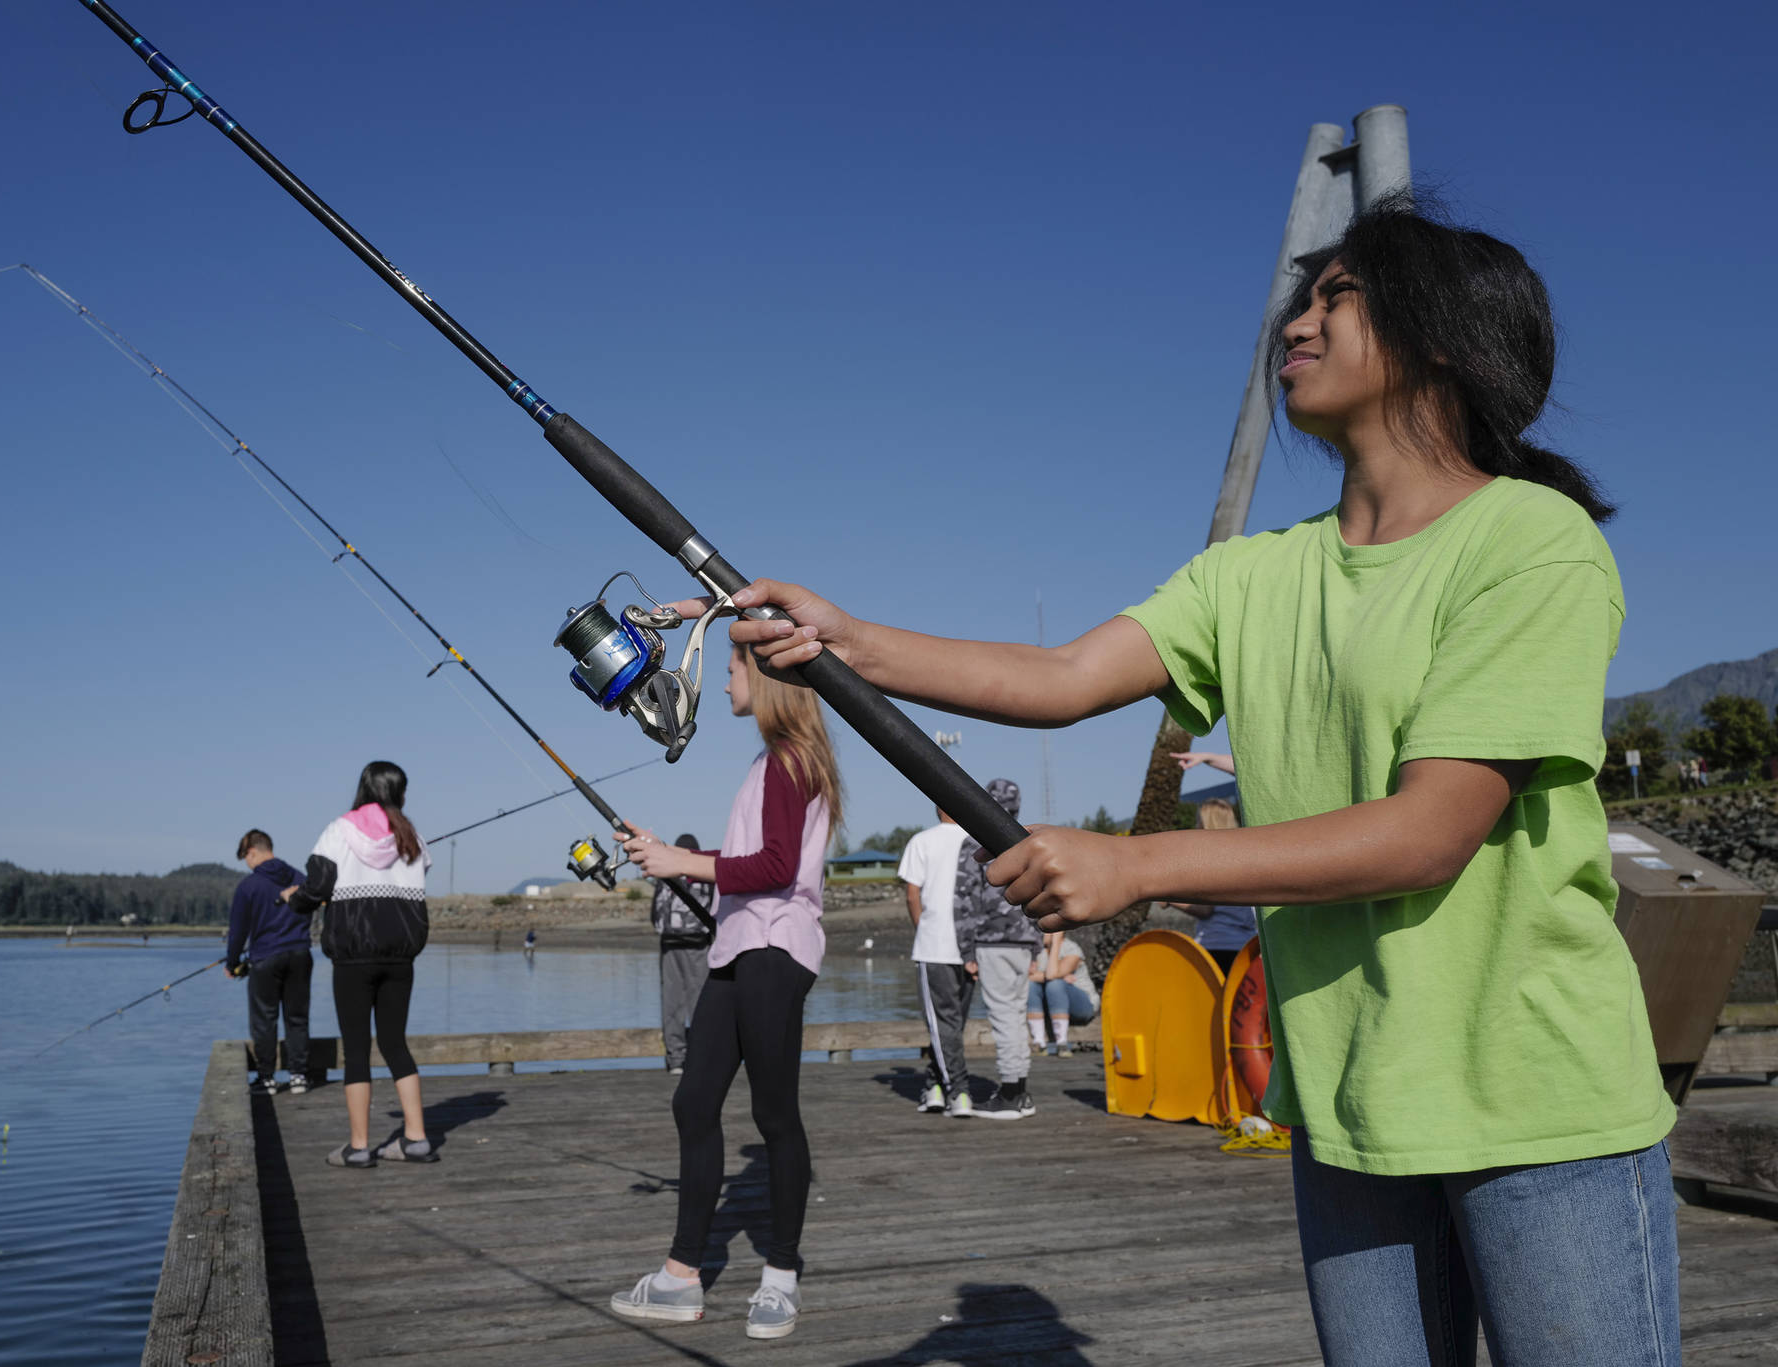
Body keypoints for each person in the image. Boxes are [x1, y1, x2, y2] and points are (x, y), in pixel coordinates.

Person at [714, 196, 1678, 1364]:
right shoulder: (1251, 574)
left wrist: (1136, 864)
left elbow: (1430, 829)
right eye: (1299, 299)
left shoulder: (1530, 539)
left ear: (1440, 336)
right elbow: (1064, 675)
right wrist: (847, 638)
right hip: (1345, 1104)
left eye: (1336, 296)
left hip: (1538, 1105)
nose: (1295, 322)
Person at [608, 643, 844, 1341]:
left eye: (733, 670)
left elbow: (775, 866)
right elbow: (749, 858)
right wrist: (672, 857)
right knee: (693, 1100)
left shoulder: (791, 759)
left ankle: (782, 1276)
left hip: (774, 949)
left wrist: (682, 859)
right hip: (737, 946)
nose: (724, 684)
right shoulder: (770, 761)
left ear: (766, 678)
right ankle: (681, 1276)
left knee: (775, 1116)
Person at [287, 761, 438, 1169]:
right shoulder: (412, 837)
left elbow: (316, 886)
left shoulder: (339, 830)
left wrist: (293, 899)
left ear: (364, 788)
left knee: (356, 1050)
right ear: (399, 792)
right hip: (401, 955)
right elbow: (421, 869)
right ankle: (416, 1139)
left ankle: (358, 1147)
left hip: (353, 956)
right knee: (395, 1044)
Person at [952, 779, 1042, 1118]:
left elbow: (964, 900)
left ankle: (1009, 1094)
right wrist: (1037, 946)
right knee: (1017, 1017)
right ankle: (1021, 1090)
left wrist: (966, 951)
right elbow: (1040, 893)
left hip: (991, 943)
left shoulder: (973, 843)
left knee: (1004, 1017)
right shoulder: (1029, 841)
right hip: (1024, 941)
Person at [898, 808, 975, 1118]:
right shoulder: (977, 842)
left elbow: (912, 894)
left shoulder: (922, 841)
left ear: (937, 808)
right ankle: (934, 1087)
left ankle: (959, 1091)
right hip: (971, 950)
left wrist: (922, 927)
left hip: (934, 947)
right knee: (953, 1026)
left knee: (943, 1026)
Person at [226, 828, 313, 1095]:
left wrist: (232, 964)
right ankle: (299, 1076)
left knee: (264, 1020)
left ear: (253, 852)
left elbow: (238, 931)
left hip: (265, 957)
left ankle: (266, 1079)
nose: (247, 863)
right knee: (297, 1017)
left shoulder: (249, 886)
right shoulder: (300, 878)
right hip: (299, 954)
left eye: (246, 857)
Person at [1163, 799, 1259, 975]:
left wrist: (1168, 900)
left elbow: (1205, 910)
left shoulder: (1210, 861)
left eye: (1199, 821)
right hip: (1246, 948)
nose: (1195, 827)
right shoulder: (1245, 858)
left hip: (1216, 945)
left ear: (1208, 825)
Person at [653, 834, 717, 1074]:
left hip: (669, 945)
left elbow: (655, 915)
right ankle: (703, 1056)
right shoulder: (702, 874)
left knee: (672, 1003)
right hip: (699, 946)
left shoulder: (666, 874)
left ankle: (676, 1058)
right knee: (700, 1001)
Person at [1026, 930, 1095, 1054]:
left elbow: (1051, 975)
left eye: (1044, 931)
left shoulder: (1071, 948)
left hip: (1082, 1007)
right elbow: (1026, 977)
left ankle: (1062, 1043)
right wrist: (1056, 976)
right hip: (1052, 1005)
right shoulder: (1038, 950)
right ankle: (1038, 1042)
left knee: (1055, 984)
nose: (1039, 933)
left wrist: (1056, 943)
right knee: (1031, 985)